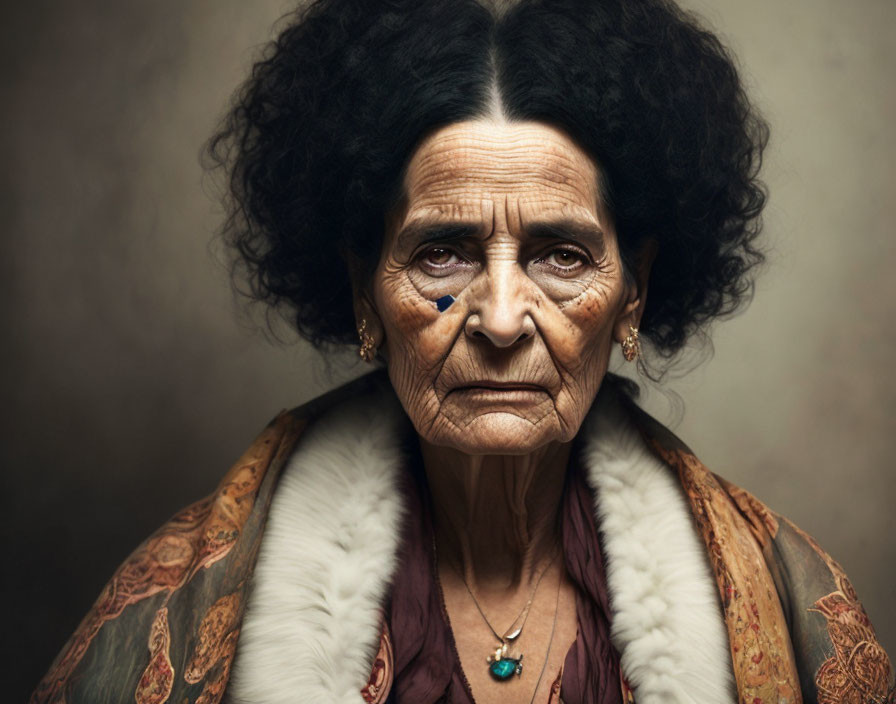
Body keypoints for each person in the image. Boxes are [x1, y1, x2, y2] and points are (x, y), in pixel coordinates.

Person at [32, 0, 893, 702]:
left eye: (563, 256)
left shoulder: (790, 594)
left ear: (633, 289)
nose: (504, 318)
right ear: (366, 286)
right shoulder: (181, 604)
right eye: (441, 253)